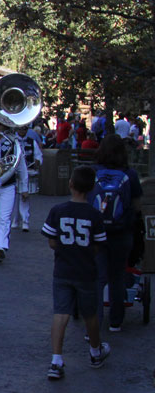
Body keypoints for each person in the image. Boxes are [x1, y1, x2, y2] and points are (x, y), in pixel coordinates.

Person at [42, 166, 111, 379]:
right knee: (90, 314)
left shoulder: (58, 210)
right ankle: (94, 351)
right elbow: (98, 245)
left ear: (70, 184)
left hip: (62, 268)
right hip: (86, 270)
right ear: (91, 189)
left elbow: (52, 241)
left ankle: (56, 359)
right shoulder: (94, 215)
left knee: (60, 313)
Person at [90, 134, 142, 332]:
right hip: (122, 232)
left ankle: (94, 324)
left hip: (97, 232)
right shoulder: (130, 174)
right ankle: (116, 321)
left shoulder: (93, 171)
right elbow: (136, 205)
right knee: (117, 276)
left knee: (98, 276)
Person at [0, 117, 27, 264]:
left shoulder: (13, 143)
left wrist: (24, 187)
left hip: (8, 185)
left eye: (0, 124)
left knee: (5, 217)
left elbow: (20, 165)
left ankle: (2, 245)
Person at [12, 126, 43, 231]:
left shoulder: (32, 142)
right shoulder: (12, 141)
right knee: (14, 198)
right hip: (15, 173)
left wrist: (38, 161)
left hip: (28, 172)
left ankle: (25, 221)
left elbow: (38, 155)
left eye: (24, 129)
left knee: (24, 198)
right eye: (20, 129)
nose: (22, 131)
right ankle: (15, 220)